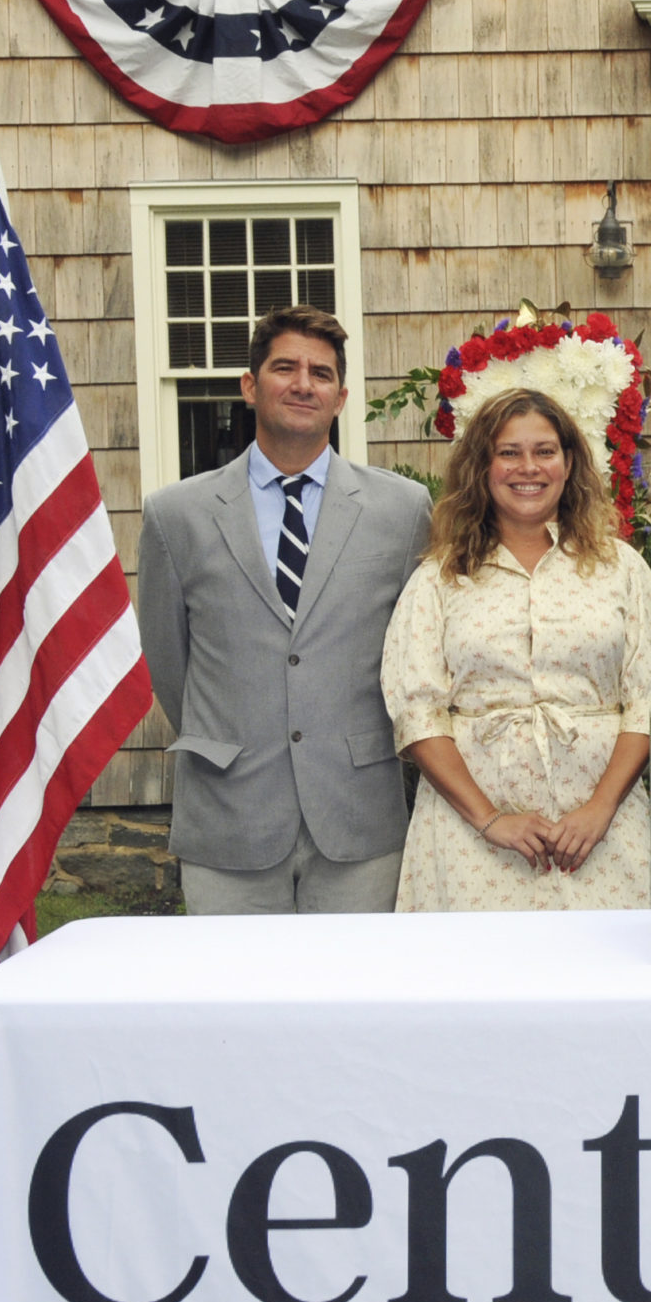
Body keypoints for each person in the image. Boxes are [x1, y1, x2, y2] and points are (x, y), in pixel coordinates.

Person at [139, 304, 431, 915]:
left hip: (357, 811)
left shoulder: (401, 511)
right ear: (250, 386)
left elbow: (417, 651)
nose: (304, 384)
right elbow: (169, 662)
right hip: (230, 814)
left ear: (341, 396)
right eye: (285, 368)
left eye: (321, 374)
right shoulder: (177, 515)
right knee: (234, 1006)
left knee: (354, 1007)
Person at [380, 388, 651, 911]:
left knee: (605, 981)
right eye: (508, 452)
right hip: (468, 836)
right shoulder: (439, 578)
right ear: (482, 467)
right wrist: (490, 819)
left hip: (600, 832)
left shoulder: (621, 569)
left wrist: (599, 809)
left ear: (568, 462)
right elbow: (416, 711)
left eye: (544, 451)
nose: (528, 467)